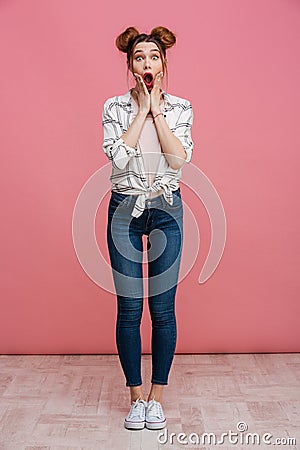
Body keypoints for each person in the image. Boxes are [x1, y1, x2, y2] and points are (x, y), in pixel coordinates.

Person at [102, 26, 194, 430]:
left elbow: (178, 160)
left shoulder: (181, 108)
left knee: (162, 309)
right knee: (129, 309)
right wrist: (140, 110)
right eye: (139, 57)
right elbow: (119, 159)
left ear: (163, 63)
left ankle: (157, 397)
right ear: (130, 65)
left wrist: (157, 111)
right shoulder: (113, 107)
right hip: (125, 207)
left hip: (166, 210)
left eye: (153, 57)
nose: (146, 63)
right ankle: (135, 398)